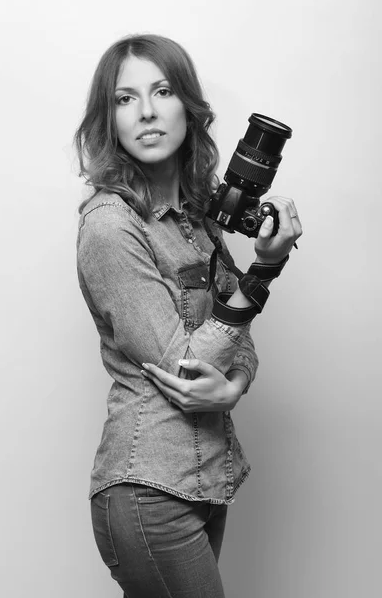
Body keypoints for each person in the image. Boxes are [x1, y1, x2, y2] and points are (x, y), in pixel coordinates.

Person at [74, 33, 302, 598]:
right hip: (148, 485)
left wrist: (235, 387)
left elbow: (235, 343)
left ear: (189, 110)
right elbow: (187, 366)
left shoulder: (196, 220)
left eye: (163, 90)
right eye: (125, 99)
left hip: (201, 481)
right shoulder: (110, 226)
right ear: (109, 121)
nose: (147, 111)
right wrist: (263, 273)